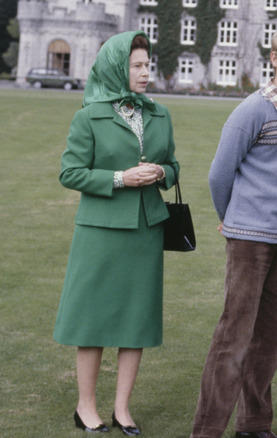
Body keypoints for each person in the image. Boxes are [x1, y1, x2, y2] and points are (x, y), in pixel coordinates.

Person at [189, 24, 277, 438]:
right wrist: (232, 219)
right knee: (233, 337)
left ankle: (255, 424)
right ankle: (207, 430)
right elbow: (218, 174)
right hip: (248, 239)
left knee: (271, 339)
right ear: (274, 60)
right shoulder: (251, 111)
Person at [54, 30, 179, 436]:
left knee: (135, 321)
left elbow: (174, 165)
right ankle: (85, 407)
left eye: (147, 65)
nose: (145, 73)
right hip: (100, 233)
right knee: (92, 322)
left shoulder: (160, 113)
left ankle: (123, 408)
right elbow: (70, 172)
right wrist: (121, 178)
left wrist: (162, 171)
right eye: (137, 66)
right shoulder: (88, 115)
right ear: (116, 67)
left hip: (145, 231)